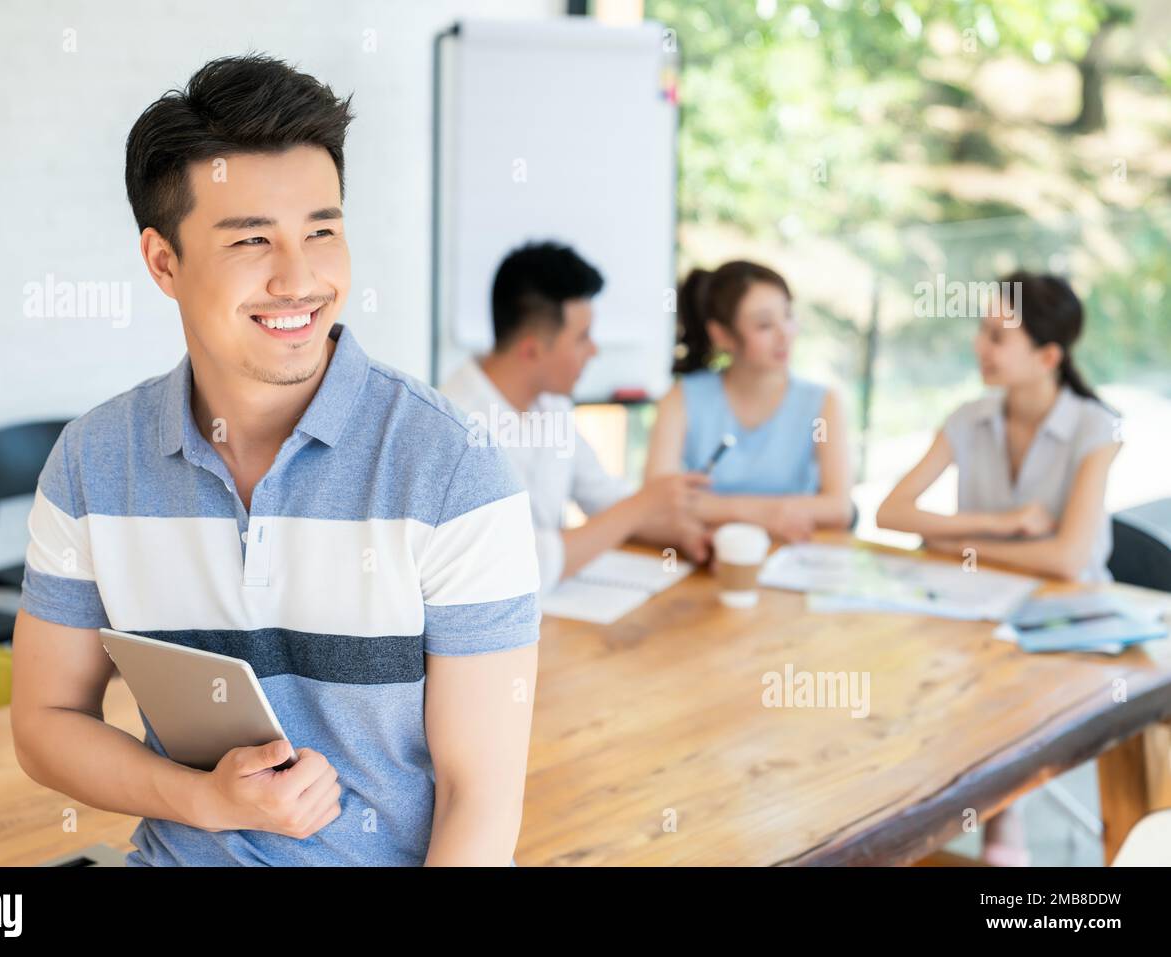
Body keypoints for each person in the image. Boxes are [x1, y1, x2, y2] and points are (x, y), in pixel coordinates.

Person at [11, 54, 542, 866]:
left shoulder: (453, 472)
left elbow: (482, 796)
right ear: (163, 262)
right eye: (252, 239)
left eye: (322, 231)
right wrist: (204, 799)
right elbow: (45, 722)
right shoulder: (93, 461)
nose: (301, 279)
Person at [876, 271, 1122, 866]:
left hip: (1071, 627)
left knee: (995, 707)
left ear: (1047, 356)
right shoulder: (970, 417)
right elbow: (892, 512)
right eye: (982, 331)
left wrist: (953, 541)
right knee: (899, 684)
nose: (981, 347)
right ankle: (963, 822)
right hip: (977, 615)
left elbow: (1066, 559)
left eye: (998, 336)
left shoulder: (1097, 427)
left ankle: (1002, 819)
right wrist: (1006, 526)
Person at [439, 241, 710, 594]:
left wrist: (687, 535)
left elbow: (602, 497)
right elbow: (525, 563)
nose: (594, 350)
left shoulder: (551, 403)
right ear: (532, 349)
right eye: (582, 338)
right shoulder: (453, 428)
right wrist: (644, 504)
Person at [645, 260, 854, 542]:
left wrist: (718, 509)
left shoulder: (822, 402)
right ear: (721, 335)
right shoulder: (680, 399)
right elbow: (654, 501)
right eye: (765, 325)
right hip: (713, 556)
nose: (785, 334)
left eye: (788, 316)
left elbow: (839, 508)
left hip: (795, 554)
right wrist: (759, 515)